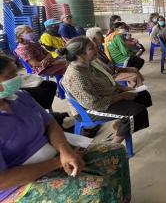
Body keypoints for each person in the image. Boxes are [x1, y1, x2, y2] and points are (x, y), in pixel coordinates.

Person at [0, 55, 132, 202]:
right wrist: (58, 162)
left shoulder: (20, 97)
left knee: (115, 151)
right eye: (11, 75)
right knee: (94, 190)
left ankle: (121, 199)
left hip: (53, 153)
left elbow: (50, 123)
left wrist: (65, 151)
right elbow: (3, 180)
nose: (18, 77)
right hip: (19, 183)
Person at [61, 37, 152, 143]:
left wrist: (122, 88)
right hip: (89, 110)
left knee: (143, 95)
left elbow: (108, 79)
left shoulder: (89, 64)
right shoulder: (75, 76)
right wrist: (121, 96)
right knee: (136, 111)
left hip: (104, 97)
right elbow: (94, 104)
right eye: (91, 48)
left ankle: (120, 123)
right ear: (79, 55)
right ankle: (114, 143)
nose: (96, 49)